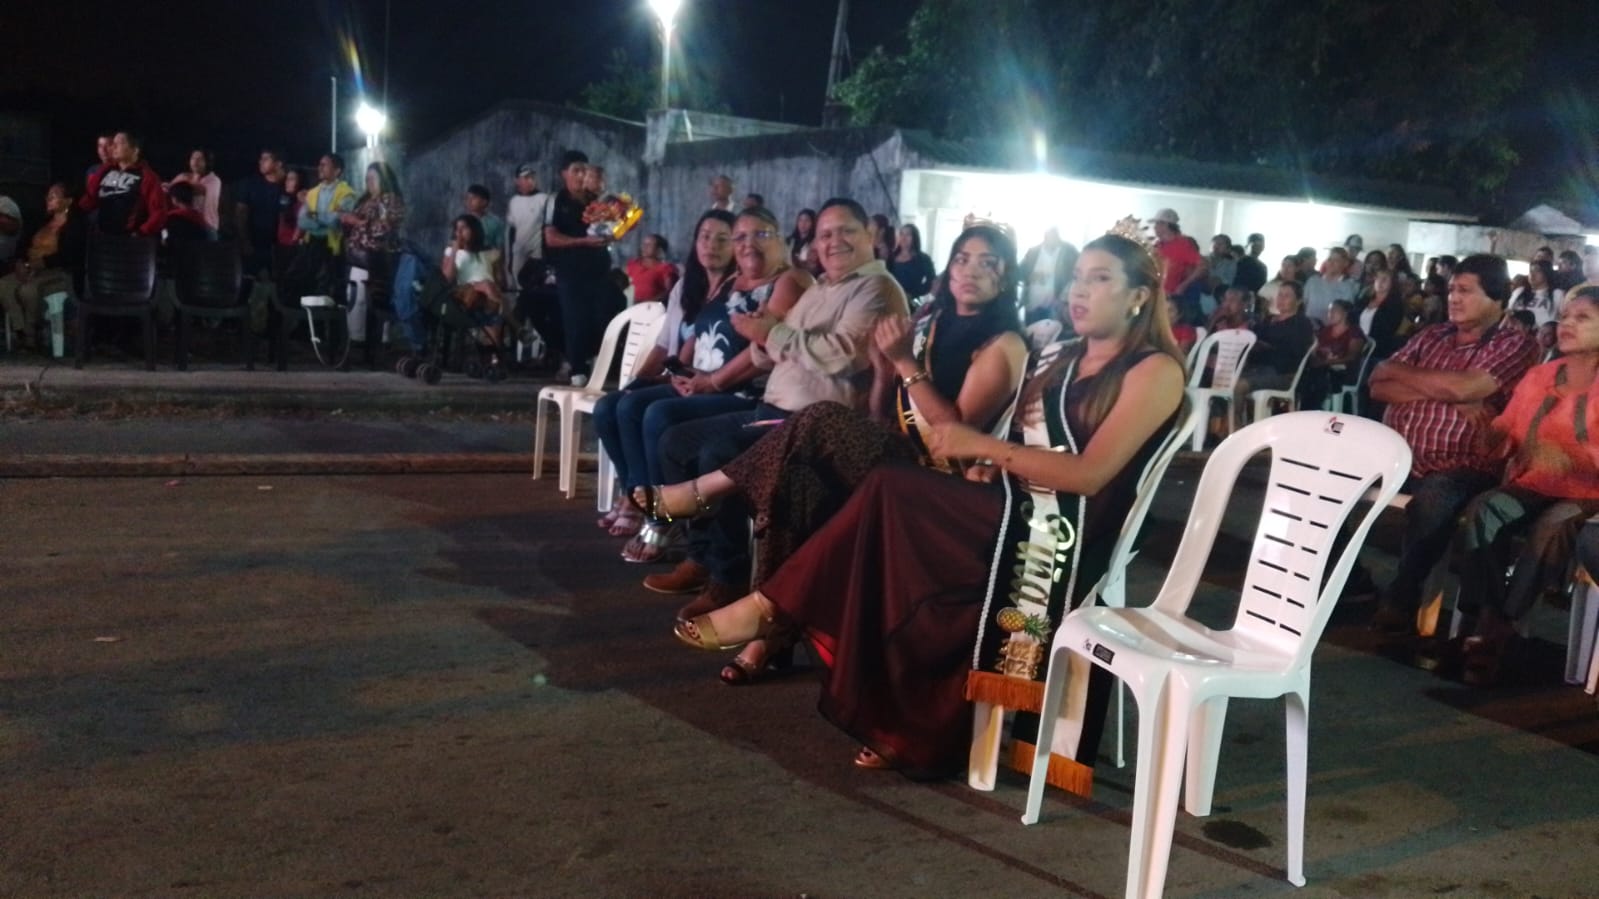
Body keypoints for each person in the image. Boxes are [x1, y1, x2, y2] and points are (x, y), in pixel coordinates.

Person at [670, 230, 1184, 777]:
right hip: (1012, 503)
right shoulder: (1062, 358)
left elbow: (1090, 474)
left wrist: (986, 448)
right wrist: (993, 465)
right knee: (886, 519)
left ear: (1138, 296)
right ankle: (896, 717)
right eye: (1077, 277)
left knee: (892, 490)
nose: (1079, 290)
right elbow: (1028, 448)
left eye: (1099, 279)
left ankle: (776, 608)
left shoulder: (1154, 370)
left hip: (1063, 530)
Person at [641, 223, 1030, 683]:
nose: (970, 271)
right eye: (963, 259)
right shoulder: (933, 322)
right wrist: (885, 372)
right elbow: (884, 414)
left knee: (820, 416)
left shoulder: (1002, 345)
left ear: (1006, 277)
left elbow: (953, 434)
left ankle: (710, 501)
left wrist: (904, 362)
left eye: (987, 263)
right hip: (898, 453)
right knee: (797, 478)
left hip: (943, 478)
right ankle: (769, 629)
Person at [639, 198, 909, 619]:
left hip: (810, 424)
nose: (834, 241)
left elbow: (839, 355)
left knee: (718, 453)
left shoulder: (877, 289)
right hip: (770, 407)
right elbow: (772, 350)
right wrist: (758, 338)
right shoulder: (821, 288)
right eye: (825, 234)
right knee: (675, 441)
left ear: (870, 235)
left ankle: (727, 579)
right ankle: (702, 555)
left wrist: (771, 333)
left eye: (846, 231)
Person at [599, 209, 813, 558]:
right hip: (706, 381)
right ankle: (641, 497)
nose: (748, 244)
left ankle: (662, 516)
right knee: (619, 405)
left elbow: (761, 351)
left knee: (658, 414)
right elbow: (699, 332)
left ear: (781, 239)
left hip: (746, 392)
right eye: (741, 237)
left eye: (761, 235)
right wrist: (681, 372)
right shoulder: (732, 282)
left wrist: (712, 382)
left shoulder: (788, 282)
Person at [1367, 255, 1541, 634]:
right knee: (1320, 479)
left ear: (1496, 298)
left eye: (1465, 291)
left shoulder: (1515, 344)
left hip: (1462, 464)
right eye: (1451, 290)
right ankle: (1349, 583)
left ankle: (1403, 594)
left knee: (1435, 499)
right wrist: (1451, 393)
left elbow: (1466, 387)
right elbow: (1378, 382)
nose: (1454, 299)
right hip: (1395, 456)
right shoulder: (1432, 335)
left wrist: (1417, 380)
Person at [1449, 286, 1599, 685]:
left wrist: (1576, 457)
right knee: (1484, 509)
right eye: (1565, 316)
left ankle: (1498, 626)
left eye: (1582, 318)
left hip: (1588, 493)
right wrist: (1488, 431)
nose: (1566, 324)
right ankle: (1490, 614)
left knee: (1552, 526)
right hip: (1535, 482)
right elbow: (1505, 434)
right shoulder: (1540, 376)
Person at [544, 150, 622, 386]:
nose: (581, 176)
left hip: (599, 268)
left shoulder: (597, 200)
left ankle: (599, 360)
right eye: (576, 170)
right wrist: (583, 242)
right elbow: (551, 238)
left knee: (606, 310)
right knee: (575, 318)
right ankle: (577, 369)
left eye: (585, 171)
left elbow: (613, 228)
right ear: (564, 174)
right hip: (570, 270)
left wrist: (616, 231)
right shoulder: (556, 200)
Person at [0, 183, 84, 350]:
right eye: (48, 196)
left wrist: (41, 263)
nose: (48, 199)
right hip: (30, 267)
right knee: (4, 285)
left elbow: (69, 256)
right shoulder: (41, 222)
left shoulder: (74, 226)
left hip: (55, 271)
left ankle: (31, 334)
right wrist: (20, 262)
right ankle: (20, 329)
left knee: (28, 290)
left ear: (67, 201)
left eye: (53, 196)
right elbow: (23, 244)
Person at [338, 161, 406, 345]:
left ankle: (379, 340)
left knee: (376, 298)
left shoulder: (391, 200)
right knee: (355, 296)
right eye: (367, 179)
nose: (369, 182)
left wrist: (357, 222)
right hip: (357, 258)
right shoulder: (364, 201)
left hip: (378, 259)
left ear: (384, 179)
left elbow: (384, 228)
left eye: (373, 178)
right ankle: (356, 337)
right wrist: (345, 221)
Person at [1236, 279, 1315, 402]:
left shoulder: (1301, 323)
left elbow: (1295, 351)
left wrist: (1268, 346)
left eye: (1287, 296)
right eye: (1280, 295)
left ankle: (1237, 415)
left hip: (1282, 373)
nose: (1281, 299)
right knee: (1223, 381)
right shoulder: (1269, 320)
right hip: (1257, 368)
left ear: (1298, 301)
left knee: (1239, 386)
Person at [80, 131, 166, 237]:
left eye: (119, 143)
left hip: (129, 239)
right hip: (101, 237)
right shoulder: (104, 170)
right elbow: (89, 199)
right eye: (113, 143)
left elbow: (159, 211)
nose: (113, 147)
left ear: (135, 150)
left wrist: (140, 232)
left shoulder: (147, 176)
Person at [442, 214, 506, 351]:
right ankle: (497, 346)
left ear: (474, 230)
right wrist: (454, 251)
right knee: (489, 290)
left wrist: (498, 274)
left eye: (464, 228)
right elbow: (446, 278)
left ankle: (491, 349)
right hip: (466, 294)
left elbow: (500, 281)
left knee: (490, 290)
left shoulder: (491, 252)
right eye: (457, 229)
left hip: (488, 296)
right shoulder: (451, 252)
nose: (459, 232)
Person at [1298, 299, 1366, 410]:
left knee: (1316, 377)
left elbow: (1351, 357)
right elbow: (1315, 348)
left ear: (1345, 313)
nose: (1330, 314)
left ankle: (1314, 409)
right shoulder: (1326, 330)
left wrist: (1326, 362)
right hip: (1322, 368)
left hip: (1344, 372)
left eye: (1335, 310)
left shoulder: (1354, 332)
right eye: (1329, 311)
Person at [235, 149, 289, 278]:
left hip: (282, 247)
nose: (260, 162)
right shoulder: (250, 184)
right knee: (249, 280)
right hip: (254, 245)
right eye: (261, 159)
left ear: (278, 164)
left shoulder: (290, 185)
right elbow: (240, 214)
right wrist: (244, 241)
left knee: (281, 282)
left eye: (266, 159)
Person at [1152, 208, 1205, 324]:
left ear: (1166, 225)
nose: (1154, 228)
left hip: (1171, 299)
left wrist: (1183, 285)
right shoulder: (1157, 245)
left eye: (1157, 224)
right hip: (1156, 295)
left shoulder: (1182, 244)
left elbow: (1202, 266)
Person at [297, 154, 356, 256]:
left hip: (333, 247)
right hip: (312, 244)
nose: (319, 168)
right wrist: (325, 221)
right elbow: (301, 221)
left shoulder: (347, 193)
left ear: (337, 171)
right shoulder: (311, 193)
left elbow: (335, 220)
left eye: (324, 165)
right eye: (319, 165)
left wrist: (313, 216)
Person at [1018, 226, 1078, 326]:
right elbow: (1019, 273)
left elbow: (1077, 275)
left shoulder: (1069, 252)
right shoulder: (1033, 252)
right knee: (1030, 332)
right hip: (1032, 306)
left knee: (1054, 332)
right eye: (1049, 236)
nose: (1051, 239)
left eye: (1054, 236)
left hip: (1056, 308)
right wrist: (1032, 276)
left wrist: (1064, 299)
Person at [506, 163, 550, 292]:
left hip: (538, 252)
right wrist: (510, 257)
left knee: (538, 286)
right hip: (519, 252)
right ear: (517, 181)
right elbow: (512, 230)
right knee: (519, 286)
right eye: (525, 178)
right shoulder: (514, 201)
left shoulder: (544, 199)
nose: (530, 181)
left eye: (532, 177)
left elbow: (549, 227)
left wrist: (547, 255)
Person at [168, 148, 221, 232]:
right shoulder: (184, 176)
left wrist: (179, 186)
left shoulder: (214, 180)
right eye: (193, 158)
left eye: (200, 159)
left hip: (207, 226)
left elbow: (197, 190)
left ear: (208, 162)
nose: (195, 162)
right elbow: (170, 189)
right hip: (187, 223)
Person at [1303, 246, 1358, 323]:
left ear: (1345, 263)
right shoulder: (1312, 281)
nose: (1331, 263)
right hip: (1309, 326)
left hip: (1331, 328)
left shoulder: (1349, 286)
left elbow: (1345, 312)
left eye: (1336, 260)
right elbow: (1304, 303)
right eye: (1329, 259)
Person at [624, 233, 679, 304]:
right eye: (643, 244)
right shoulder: (632, 265)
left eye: (649, 245)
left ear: (658, 249)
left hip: (652, 307)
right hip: (630, 306)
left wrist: (648, 303)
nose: (644, 247)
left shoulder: (666, 268)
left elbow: (670, 291)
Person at [888, 223, 937, 301]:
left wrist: (913, 294)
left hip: (911, 301)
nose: (903, 238)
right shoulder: (891, 256)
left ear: (914, 238)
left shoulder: (923, 259)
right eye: (901, 234)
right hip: (891, 299)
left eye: (908, 234)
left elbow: (931, 282)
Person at [1511, 259, 1563, 327]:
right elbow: (1509, 314)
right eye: (1530, 271)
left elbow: (1562, 317)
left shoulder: (1557, 294)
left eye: (1537, 271)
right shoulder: (1520, 292)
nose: (1532, 274)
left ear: (1546, 273)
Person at [463, 184, 505, 258]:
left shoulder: (495, 223)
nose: (469, 201)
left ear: (484, 202)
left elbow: (500, 247)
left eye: (473, 198)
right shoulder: (462, 221)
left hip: (487, 259)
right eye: (467, 198)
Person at [277, 168, 305, 248]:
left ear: (299, 182)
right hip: (280, 243)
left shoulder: (303, 202)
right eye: (287, 179)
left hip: (294, 245)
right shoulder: (283, 198)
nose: (287, 182)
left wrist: (294, 240)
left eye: (291, 179)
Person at [787, 208, 819, 275]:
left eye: (807, 220)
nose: (803, 224)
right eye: (800, 220)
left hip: (808, 275)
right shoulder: (789, 240)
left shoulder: (816, 242)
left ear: (813, 222)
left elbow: (814, 266)